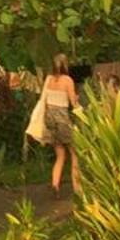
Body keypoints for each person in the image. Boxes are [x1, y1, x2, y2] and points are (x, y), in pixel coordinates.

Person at [42, 53, 80, 196]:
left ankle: (55, 185)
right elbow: (73, 104)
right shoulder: (67, 80)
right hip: (62, 119)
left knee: (60, 155)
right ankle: (77, 189)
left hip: (50, 119)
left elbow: (44, 100)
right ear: (65, 65)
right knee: (74, 154)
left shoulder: (48, 79)